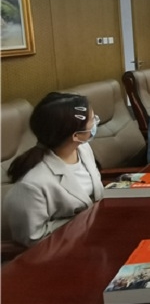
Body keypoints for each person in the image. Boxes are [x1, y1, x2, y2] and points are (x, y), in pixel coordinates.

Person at [3, 92, 104, 247]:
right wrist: (83, 222)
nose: (96, 121)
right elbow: (32, 239)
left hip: (94, 236)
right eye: (92, 120)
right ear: (76, 135)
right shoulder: (32, 184)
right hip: (62, 251)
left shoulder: (83, 149)